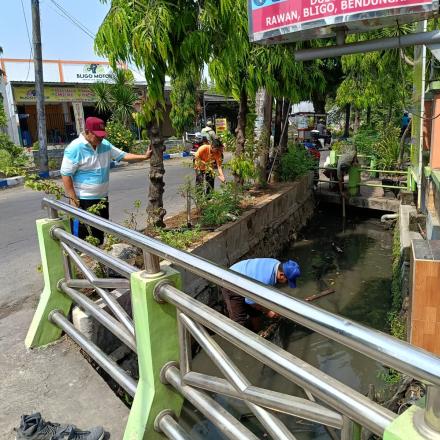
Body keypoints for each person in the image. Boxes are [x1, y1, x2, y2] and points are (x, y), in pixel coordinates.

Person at [61, 116, 152, 244]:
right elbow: (66, 174)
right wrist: (73, 199)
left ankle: (98, 261)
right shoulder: (75, 148)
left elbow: (123, 156)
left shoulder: (105, 145)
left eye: (102, 135)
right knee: (82, 237)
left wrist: (144, 157)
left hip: (102, 199)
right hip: (83, 200)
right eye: (97, 135)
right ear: (87, 132)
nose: (101, 138)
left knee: (99, 234)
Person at [222, 258, 301, 331]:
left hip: (246, 281)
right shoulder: (265, 279)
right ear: (281, 275)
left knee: (256, 313)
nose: (286, 284)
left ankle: (258, 332)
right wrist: (267, 311)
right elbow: (250, 301)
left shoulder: (276, 264)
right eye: (287, 281)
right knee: (239, 322)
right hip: (232, 282)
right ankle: (241, 342)